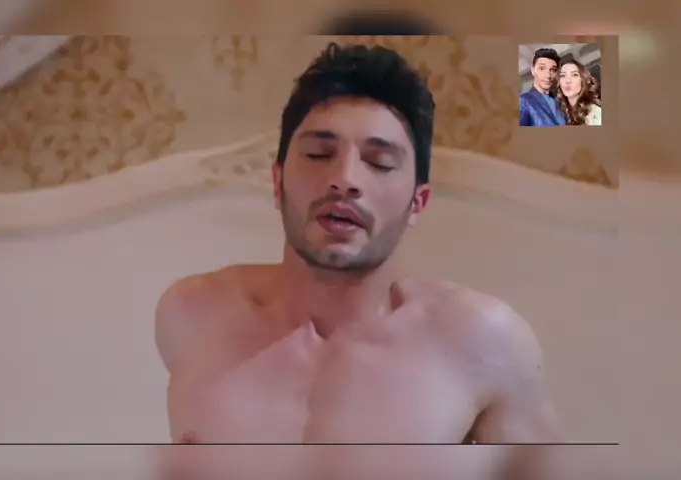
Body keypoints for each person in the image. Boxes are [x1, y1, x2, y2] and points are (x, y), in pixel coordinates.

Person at [154, 42, 561, 477]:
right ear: (277, 182)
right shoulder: (191, 316)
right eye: (318, 155)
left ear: (418, 203)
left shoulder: (485, 343)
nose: (344, 179)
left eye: (380, 163)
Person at [519, 48, 568, 127]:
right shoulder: (524, 101)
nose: (548, 75)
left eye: (553, 70)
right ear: (533, 70)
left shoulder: (559, 100)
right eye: (542, 68)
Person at [557, 58, 602, 126]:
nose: (568, 80)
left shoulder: (594, 112)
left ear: (583, 80)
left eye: (574, 75)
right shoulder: (559, 113)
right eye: (563, 75)